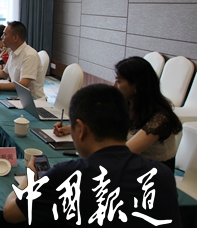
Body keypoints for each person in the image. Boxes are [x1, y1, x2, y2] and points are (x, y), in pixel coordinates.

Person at [3, 84, 184, 228]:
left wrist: (29, 179)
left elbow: (10, 213)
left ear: (81, 129)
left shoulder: (66, 175)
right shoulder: (162, 175)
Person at [54, 56, 182, 171]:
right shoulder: (128, 104)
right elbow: (103, 123)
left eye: (119, 81)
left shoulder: (160, 118)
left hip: (152, 176)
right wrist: (72, 129)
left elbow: (124, 152)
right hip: (129, 166)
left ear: (136, 85)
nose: (114, 85)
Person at [0, 21, 46, 99]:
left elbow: (23, 84)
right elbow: (4, 73)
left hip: (33, 100)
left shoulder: (29, 55)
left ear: (15, 38)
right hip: (17, 95)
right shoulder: (13, 51)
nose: (2, 37)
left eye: (5, 34)